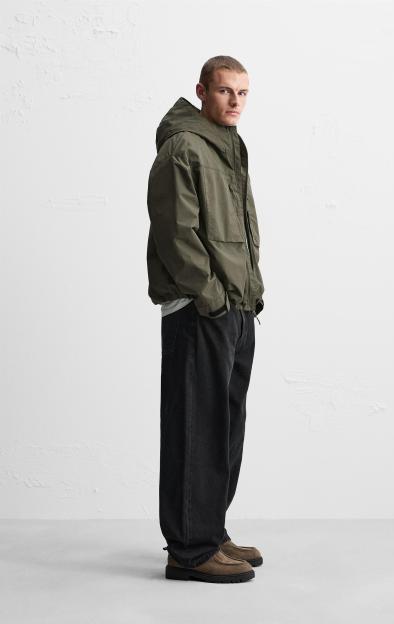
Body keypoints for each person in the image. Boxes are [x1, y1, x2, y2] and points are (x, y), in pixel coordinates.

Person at [146, 55, 265, 583]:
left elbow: (241, 230)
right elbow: (176, 233)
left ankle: (210, 529)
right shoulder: (184, 147)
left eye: (243, 92)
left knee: (225, 427)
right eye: (224, 91)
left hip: (236, 306)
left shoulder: (229, 147)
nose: (235, 101)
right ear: (201, 91)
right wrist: (211, 296)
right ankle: (190, 550)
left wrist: (249, 294)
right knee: (196, 426)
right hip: (201, 309)